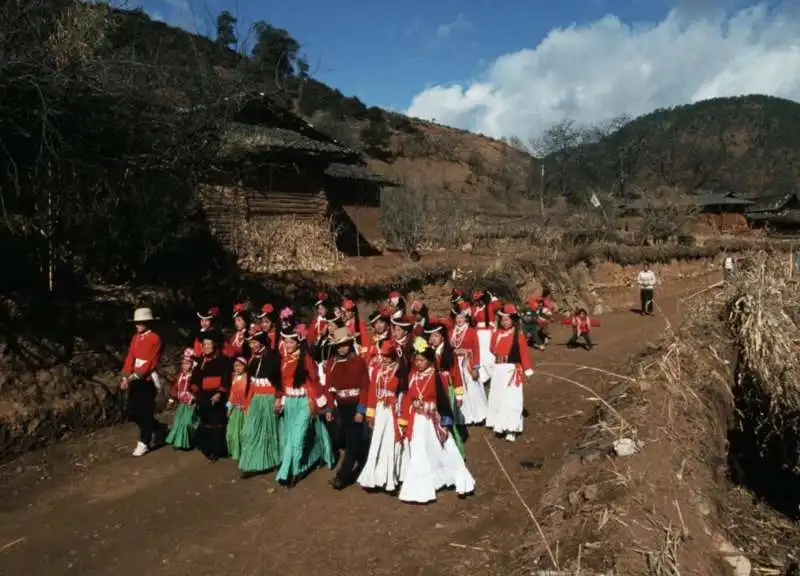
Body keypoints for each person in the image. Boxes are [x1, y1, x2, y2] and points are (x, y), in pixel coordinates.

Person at [397, 338, 475, 503]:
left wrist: (446, 423)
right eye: (416, 360)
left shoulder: (436, 377)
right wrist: (403, 421)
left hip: (434, 420)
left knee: (448, 449)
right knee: (420, 452)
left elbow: (444, 401)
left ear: (430, 361)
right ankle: (420, 490)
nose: (418, 363)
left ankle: (462, 482)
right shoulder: (412, 377)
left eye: (422, 360)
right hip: (418, 421)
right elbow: (407, 399)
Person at [275, 324, 334, 487]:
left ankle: (293, 471)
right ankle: (290, 468)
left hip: (305, 402)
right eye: (285, 342)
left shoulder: (306, 360)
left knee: (297, 437)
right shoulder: (284, 360)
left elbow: (315, 382)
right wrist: (279, 398)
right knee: (290, 437)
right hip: (290, 403)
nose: (287, 345)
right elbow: (281, 383)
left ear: (298, 343)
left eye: (291, 342)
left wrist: (324, 404)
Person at [324, 327, 371, 490]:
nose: (342, 348)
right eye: (339, 345)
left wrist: (361, 409)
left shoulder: (358, 362)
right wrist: (329, 408)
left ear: (350, 344)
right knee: (341, 438)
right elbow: (328, 387)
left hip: (354, 406)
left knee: (352, 441)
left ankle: (342, 477)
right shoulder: (332, 363)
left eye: (345, 344)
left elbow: (365, 386)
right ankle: (363, 461)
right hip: (340, 407)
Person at [357, 339, 403, 493]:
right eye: (382, 355)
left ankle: (390, 480)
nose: (384, 358)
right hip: (379, 408)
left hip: (392, 410)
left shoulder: (399, 370)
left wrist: (400, 411)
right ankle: (372, 478)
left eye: (387, 356)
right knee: (376, 441)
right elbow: (371, 392)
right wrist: (370, 413)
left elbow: (403, 393)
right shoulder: (376, 370)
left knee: (390, 442)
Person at [487, 303, 534, 442]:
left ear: (513, 320)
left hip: (511, 370)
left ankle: (512, 429)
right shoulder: (497, 334)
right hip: (498, 369)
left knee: (511, 400)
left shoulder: (518, 335)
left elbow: (523, 353)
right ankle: (499, 425)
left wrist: (527, 370)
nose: (504, 322)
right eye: (502, 319)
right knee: (498, 398)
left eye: (507, 320)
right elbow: (492, 349)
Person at [120, 307, 164, 457]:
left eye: (140, 322)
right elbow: (130, 357)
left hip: (147, 379)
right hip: (134, 378)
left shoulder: (155, 338)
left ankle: (144, 442)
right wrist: (125, 376)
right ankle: (157, 427)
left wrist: (135, 375)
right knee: (133, 411)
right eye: (136, 323)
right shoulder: (135, 338)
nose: (137, 325)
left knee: (145, 411)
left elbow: (151, 361)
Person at [238, 332, 282, 479]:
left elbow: (279, 380)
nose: (252, 346)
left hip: (268, 397)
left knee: (269, 430)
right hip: (256, 398)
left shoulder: (272, 357)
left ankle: (271, 460)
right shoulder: (252, 359)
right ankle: (251, 463)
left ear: (262, 343)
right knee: (250, 430)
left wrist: (278, 398)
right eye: (250, 343)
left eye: (255, 343)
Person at [189, 330, 232, 462]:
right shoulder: (201, 360)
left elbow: (226, 378)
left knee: (216, 422)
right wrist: (194, 391)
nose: (206, 347)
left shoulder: (223, 360)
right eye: (204, 344)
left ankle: (217, 450)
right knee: (205, 421)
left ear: (215, 345)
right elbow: (195, 378)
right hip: (204, 395)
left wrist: (219, 393)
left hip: (217, 395)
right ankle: (207, 447)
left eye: (209, 344)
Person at [425, 323, 466, 458]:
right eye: (431, 336)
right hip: (433, 388)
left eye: (436, 336)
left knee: (448, 419)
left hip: (447, 388)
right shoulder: (428, 351)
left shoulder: (448, 352)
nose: (433, 338)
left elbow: (456, 373)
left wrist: (459, 394)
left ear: (442, 337)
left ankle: (456, 452)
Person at [449, 301, 487, 425]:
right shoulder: (451, 332)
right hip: (455, 363)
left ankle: (479, 415)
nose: (459, 320)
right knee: (461, 389)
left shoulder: (471, 331)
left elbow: (476, 349)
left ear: (466, 318)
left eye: (462, 318)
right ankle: (465, 416)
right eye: (457, 318)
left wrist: (476, 366)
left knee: (472, 387)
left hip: (468, 363)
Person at [165, 348, 197, 451]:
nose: (185, 366)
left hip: (190, 404)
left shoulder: (194, 376)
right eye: (183, 364)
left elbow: (196, 388)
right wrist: (171, 400)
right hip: (181, 404)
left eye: (187, 364)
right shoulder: (179, 375)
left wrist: (191, 396)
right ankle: (179, 442)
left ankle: (191, 439)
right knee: (178, 423)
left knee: (187, 423)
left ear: (192, 364)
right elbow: (175, 388)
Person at [225, 356, 249, 460]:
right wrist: (229, 408)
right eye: (235, 366)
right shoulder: (234, 377)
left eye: (240, 366)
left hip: (244, 409)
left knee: (242, 432)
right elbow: (232, 393)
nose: (237, 368)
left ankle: (244, 453)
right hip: (235, 409)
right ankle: (235, 452)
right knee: (231, 433)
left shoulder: (247, 377)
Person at [364, 306, 392, 381]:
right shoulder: (371, 340)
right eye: (376, 323)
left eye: (381, 322)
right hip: (373, 372)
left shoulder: (391, 338)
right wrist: (372, 361)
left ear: (386, 323)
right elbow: (367, 357)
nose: (378, 326)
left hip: (388, 373)